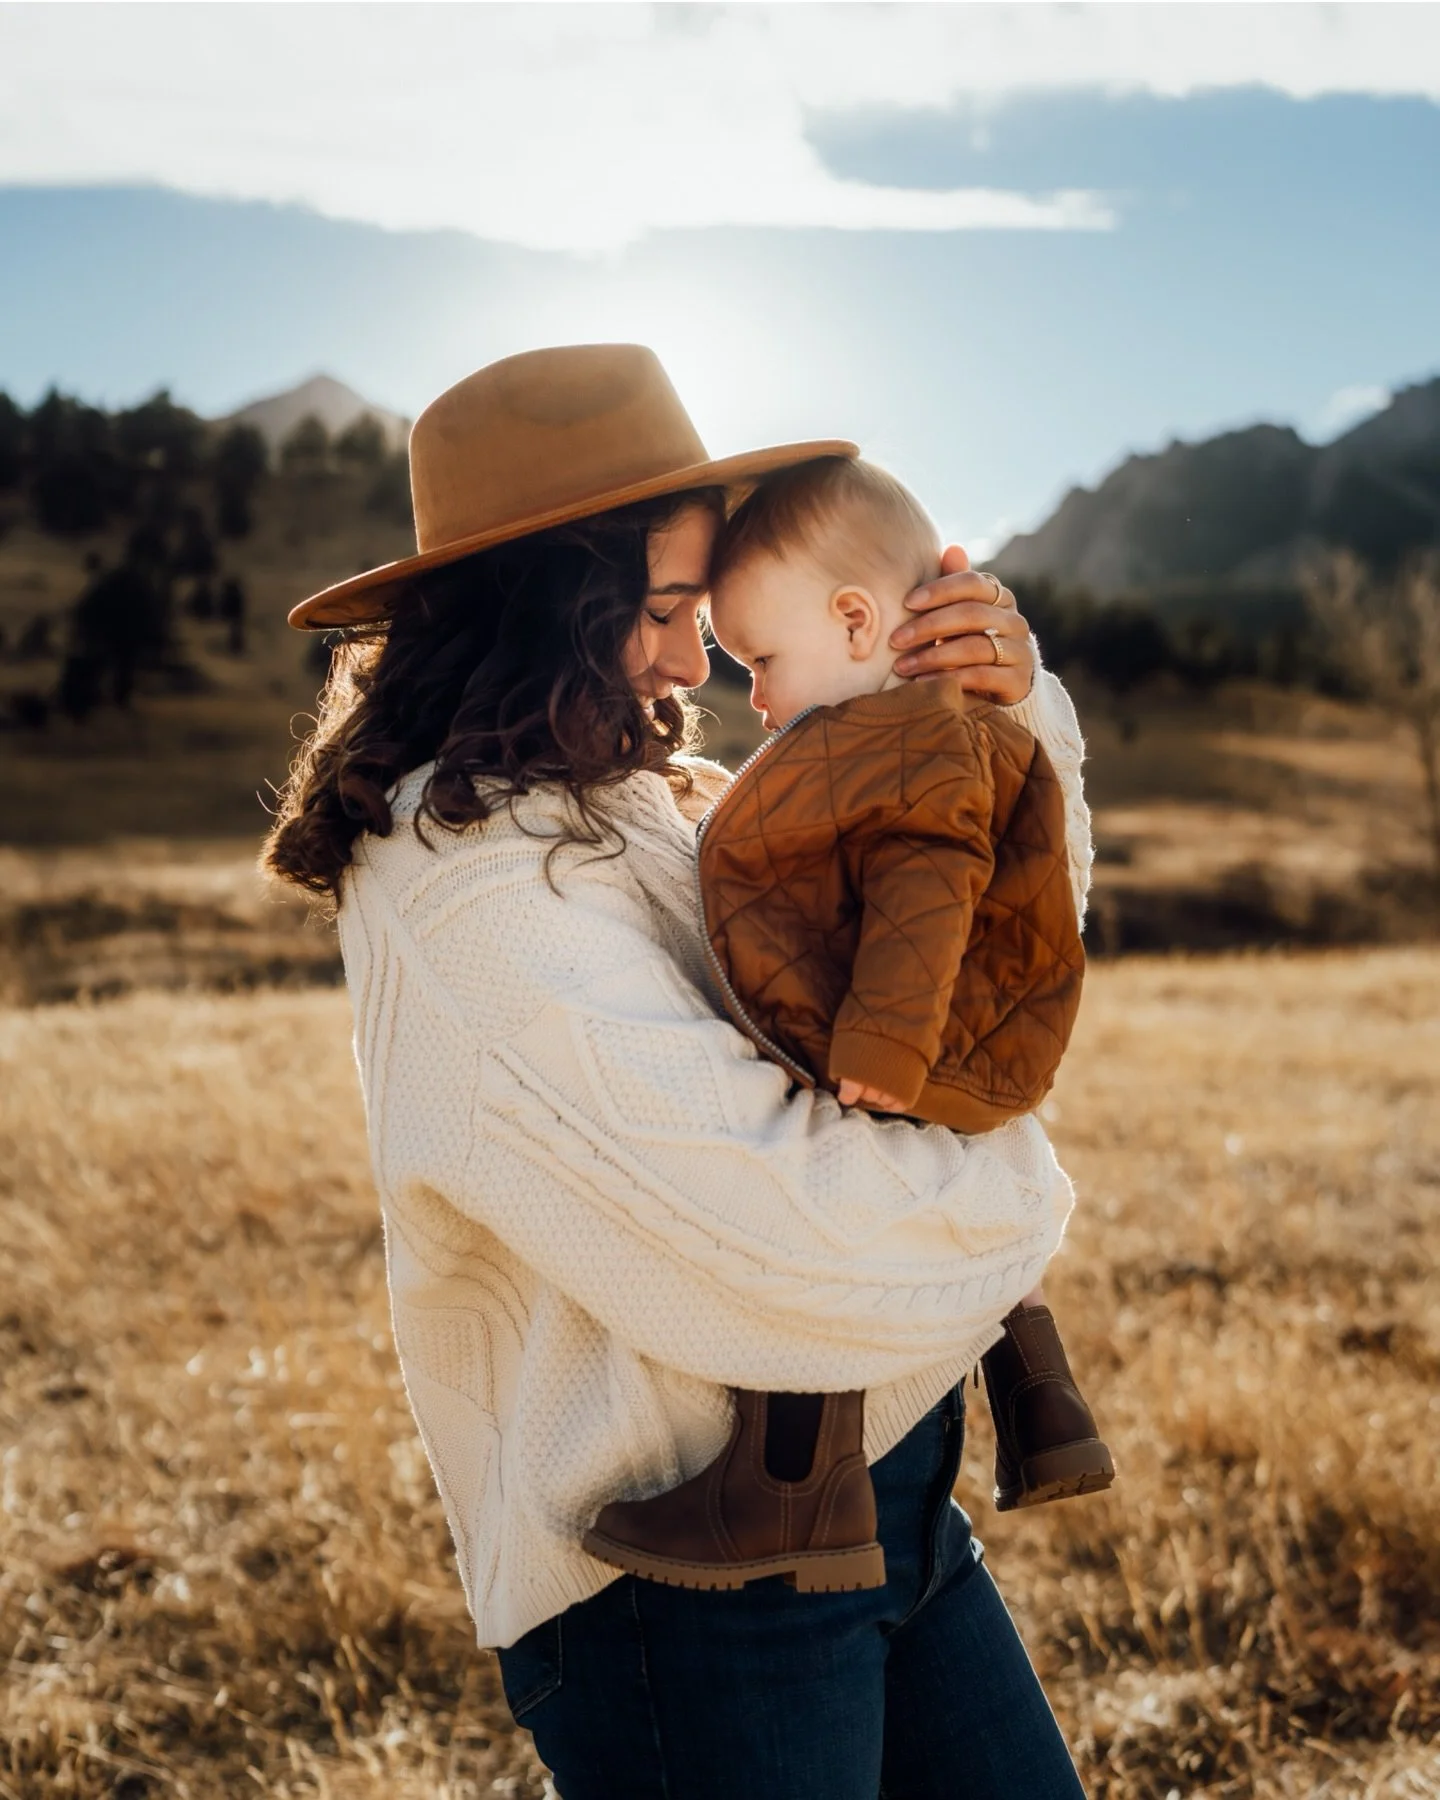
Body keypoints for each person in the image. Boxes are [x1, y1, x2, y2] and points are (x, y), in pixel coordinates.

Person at [265, 344, 1090, 1798]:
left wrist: (991, 721)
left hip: (886, 1496)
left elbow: (1003, 967)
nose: (690, 660)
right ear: (541, 609)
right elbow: (781, 1246)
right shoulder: (466, 895)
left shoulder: (657, 797)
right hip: (684, 1606)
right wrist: (1020, 1184)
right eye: (657, 612)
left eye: (703, 614)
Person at [581, 456, 1112, 1599]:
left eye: (762, 662)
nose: (754, 698)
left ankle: (791, 1483)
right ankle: (1039, 1386)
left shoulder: (911, 738)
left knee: (833, 1172)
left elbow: (927, 888)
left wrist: (876, 1050)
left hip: (915, 1040)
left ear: (858, 621)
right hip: (953, 1039)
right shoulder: (907, 733)